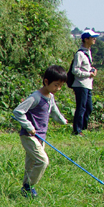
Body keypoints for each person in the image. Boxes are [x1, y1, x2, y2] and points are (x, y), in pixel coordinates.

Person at [11, 65, 68, 198]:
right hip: (29, 135)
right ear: (46, 81)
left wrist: (62, 120)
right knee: (42, 161)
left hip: (41, 136)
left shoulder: (50, 97)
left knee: (31, 163)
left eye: (60, 86)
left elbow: (54, 111)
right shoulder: (36, 97)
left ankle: (26, 190)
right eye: (56, 85)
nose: (58, 89)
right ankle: (29, 186)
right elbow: (18, 111)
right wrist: (28, 126)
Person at [72, 29, 100, 136]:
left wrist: (92, 70)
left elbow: (85, 67)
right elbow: (75, 70)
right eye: (92, 37)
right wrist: (88, 74)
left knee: (89, 108)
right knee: (81, 107)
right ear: (86, 39)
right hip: (80, 85)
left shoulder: (88, 52)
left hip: (88, 85)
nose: (94, 39)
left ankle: (83, 128)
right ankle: (77, 130)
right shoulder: (79, 54)